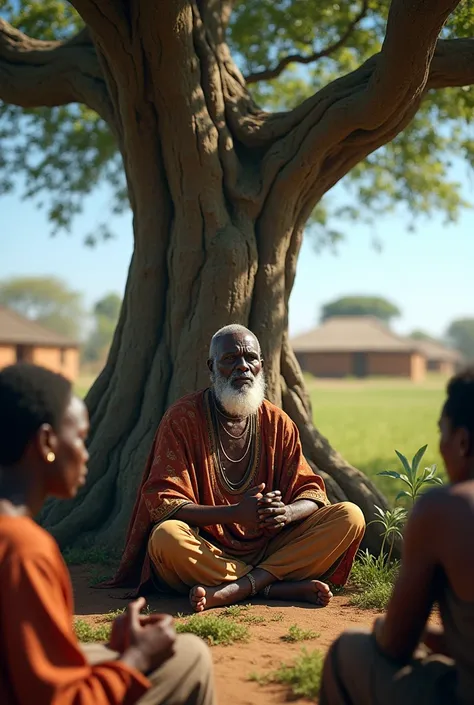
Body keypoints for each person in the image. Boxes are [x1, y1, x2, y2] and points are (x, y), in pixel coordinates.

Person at [106, 324, 365, 612]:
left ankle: (236, 588)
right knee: (166, 538)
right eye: (230, 359)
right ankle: (269, 586)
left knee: (350, 516)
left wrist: (286, 513)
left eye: (250, 358)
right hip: (207, 549)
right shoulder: (183, 418)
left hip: (271, 547)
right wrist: (235, 513)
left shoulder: (278, 422)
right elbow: (164, 503)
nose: (242, 367)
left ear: (261, 366)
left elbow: (311, 492)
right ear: (212, 367)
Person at [0, 363, 215, 705]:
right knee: (189, 656)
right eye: (82, 439)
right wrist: (137, 658)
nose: (86, 455)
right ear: (46, 442)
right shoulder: (23, 550)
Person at [320, 368, 474, 705]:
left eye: (442, 433)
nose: (441, 445)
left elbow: (395, 644)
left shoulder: (447, 509)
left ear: (462, 442)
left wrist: (384, 629)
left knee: (347, 653)